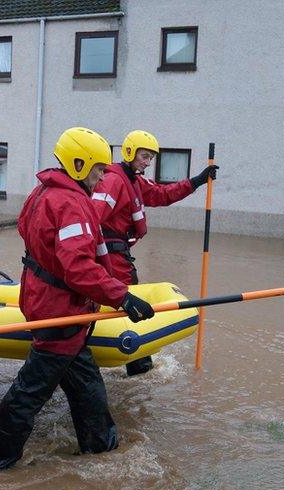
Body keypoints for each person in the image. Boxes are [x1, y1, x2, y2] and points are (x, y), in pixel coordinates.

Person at [0, 127, 157, 470]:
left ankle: (102, 450)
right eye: (99, 170)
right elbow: (78, 267)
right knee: (31, 391)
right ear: (78, 165)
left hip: (49, 301)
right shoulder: (71, 203)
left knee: (86, 387)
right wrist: (123, 297)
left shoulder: (43, 191)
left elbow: (28, 233)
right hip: (59, 309)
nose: (104, 177)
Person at [92, 130, 218, 376]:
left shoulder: (134, 181)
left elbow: (162, 195)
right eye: (144, 157)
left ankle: (138, 366)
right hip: (112, 257)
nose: (148, 163)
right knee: (128, 306)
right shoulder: (114, 180)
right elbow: (93, 218)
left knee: (128, 304)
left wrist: (196, 181)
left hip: (120, 255)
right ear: (130, 153)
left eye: (151, 158)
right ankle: (140, 369)